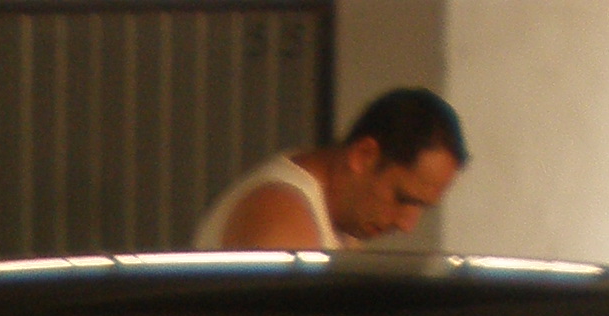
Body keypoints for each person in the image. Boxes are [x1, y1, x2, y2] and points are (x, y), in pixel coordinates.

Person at [192, 88, 465, 252]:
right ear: (364, 155)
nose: (407, 225)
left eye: (421, 207)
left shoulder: (334, 219)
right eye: (402, 199)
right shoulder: (283, 215)